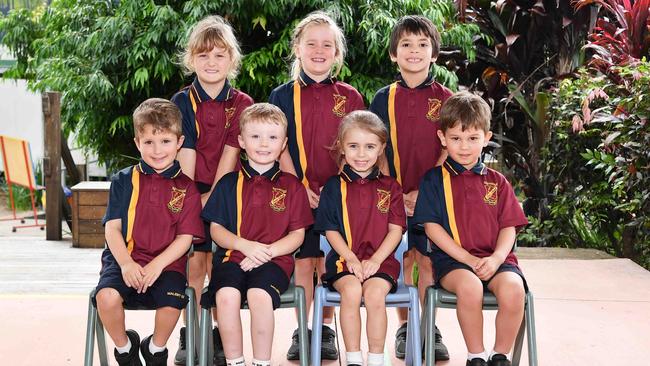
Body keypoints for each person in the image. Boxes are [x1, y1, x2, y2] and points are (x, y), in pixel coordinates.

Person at [268, 10, 365, 360]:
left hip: (340, 194)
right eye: (311, 44)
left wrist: (336, 187)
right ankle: (304, 329)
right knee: (305, 263)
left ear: (337, 52)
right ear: (298, 48)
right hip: (297, 193)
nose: (319, 50)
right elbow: (276, 143)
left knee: (330, 262)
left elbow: (356, 144)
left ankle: (324, 330)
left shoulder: (351, 96)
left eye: (327, 45)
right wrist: (297, 185)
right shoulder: (281, 96)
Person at [412, 92, 529, 366]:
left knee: (514, 290)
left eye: (473, 139)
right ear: (442, 138)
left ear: (486, 138)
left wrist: (497, 258)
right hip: (454, 263)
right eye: (455, 139)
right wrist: (469, 260)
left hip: (497, 261)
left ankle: (500, 356)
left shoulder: (498, 182)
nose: (464, 147)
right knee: (471, 287)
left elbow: (509, 226)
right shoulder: (433, 181)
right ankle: (475, 356)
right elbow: (431, 229)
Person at [201, 103, 313, 366]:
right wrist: (245, 246)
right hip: (232, 258)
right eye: (255, 137)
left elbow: (297, 235)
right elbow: (216, 230)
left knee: (259, 296)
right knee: (226, 296)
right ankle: (235, 361)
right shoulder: (228, 183)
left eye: (272, 137)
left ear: (283, 143)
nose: (264, 144)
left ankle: (261, 362)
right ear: (241, 141)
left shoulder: (293, 187)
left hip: (275, 261)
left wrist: (267, 252)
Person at [94, 98, 204, 366]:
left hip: (167, 265)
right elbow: (112, 229)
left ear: (179, 142)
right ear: (137, 143)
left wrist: (156, 265)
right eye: (149, 142)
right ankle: (125, 348)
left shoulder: (187, 188)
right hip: (125, 260)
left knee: (173, 303)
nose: (157, 150)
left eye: (165, 141)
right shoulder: (122, 180)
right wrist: (126, 263)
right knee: (105, 298)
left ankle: (155, 349)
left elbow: (185, 238)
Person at [368, 14, 452, 360]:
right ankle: (405, 326)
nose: (414, 51)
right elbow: (376, 145)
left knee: (428, 260)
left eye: (422, 44)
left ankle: (428, 326)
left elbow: (450, 146)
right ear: (393, 54)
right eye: (406, 45)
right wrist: (394, 191)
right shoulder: (381, 98)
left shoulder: (447, 97)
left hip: (433, 196)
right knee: (402, 258)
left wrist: (423, 190)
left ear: (434, 53)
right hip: (393, 196)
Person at [171, 14, 254, 365]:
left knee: (221, 266)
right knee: (192, 266)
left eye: (219, 55)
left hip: (228, 195)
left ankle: (221, 334)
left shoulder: (243, 103)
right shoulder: (181, 101)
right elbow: (185, 154)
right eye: (203, 55)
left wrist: (212, 201)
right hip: (190, 190)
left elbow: (232, 155)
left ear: (231, 60)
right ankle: (191, 332)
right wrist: (193, 203)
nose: (211, 62)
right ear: (191, 59)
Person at [315, 110, 406, 366]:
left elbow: (396, 230)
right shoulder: (333, 187)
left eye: (369, 146)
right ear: (342, 148)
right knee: (352, 291)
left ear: (381, 148)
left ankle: (376, 358)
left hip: (382, 262)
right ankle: (353, 358)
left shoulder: (391, 187)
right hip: (345, 262)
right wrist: (351, 258)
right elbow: (330, 230)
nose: (362, 154)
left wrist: (376, 260)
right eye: (353, 146)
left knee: (375, 295)